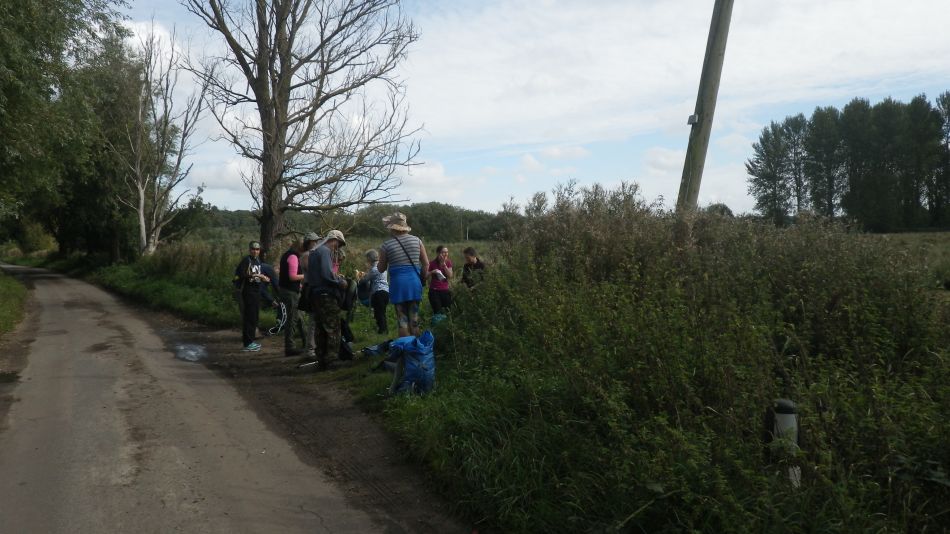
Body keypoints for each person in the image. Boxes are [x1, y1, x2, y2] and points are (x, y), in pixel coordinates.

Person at [377, 212, 428, 337]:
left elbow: (381, 269)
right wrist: (422, 280)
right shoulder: (417, 241)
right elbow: (426, 264)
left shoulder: (386, 245)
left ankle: (405, 352)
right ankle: (416, 352)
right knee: (414, 321)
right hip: (414, 283)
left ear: (392, 227)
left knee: (402, 321)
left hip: (398, 285)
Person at [305, 229, 348, 371]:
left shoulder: (314, 252)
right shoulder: (324, 251)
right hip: (326, 295)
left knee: (320, 328)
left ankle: (321, 359)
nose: (338, 247)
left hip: (315, 294)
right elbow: (327, 274)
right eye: (339, 244)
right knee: (333, 327)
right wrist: (340, 281)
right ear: (334, 240)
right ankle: (331, 360)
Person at [233, 241, 269, 351]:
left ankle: (251, 341)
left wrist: (265, 279)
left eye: (257, 249)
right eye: (253, 249)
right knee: (249, 318)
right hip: (248, 292)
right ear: (249, 250)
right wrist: (258, 275)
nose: (255, 251)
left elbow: (258, 278)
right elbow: (241, 274)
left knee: (254, 317)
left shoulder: (257, 261)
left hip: (256, 292)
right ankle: (247, 343)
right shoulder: (246, 260)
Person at [278, 239, 306, 356]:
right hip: (290, 292)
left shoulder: (287, 255)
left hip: (287, 290)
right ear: (300, 248)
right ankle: (290, 347)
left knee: (298, 317)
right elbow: (292, 276)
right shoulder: (293, 257)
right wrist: (307, 275)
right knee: (293, 319)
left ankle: (307, 342)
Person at [298, 232, 321, 358]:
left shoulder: (311, 254)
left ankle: (314, 347)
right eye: (314, 241)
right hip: (310, 288)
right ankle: (310, 349)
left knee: (316, 320)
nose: (317, 243)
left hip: (313, 288)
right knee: (313, 321)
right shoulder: (307, 255)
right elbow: (312, 271)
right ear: (309, 243)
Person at [360, 249, 390, 334]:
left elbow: (365, 280)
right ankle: (383, 329)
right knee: (381, 312)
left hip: (378, 292)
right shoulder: (382, 266)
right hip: (386, 291)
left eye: (367, 258)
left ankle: (383, 330)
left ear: (369, 258)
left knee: (379, 313)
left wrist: (360, 277)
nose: (366, 260)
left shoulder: (374, 269)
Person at [426, 245, 453, 315]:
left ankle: (446, 325)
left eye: (447, 252)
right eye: (443, 252)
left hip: (445, 290)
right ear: (438, 253)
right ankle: (437, 325)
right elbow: (425, 276)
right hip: (434, 291)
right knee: (437, 312)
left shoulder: (448, 262)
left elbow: (450, 275)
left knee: (447, 312)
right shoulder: (432, 263)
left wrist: (444, 265)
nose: (446, 254)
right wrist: (432, 272)